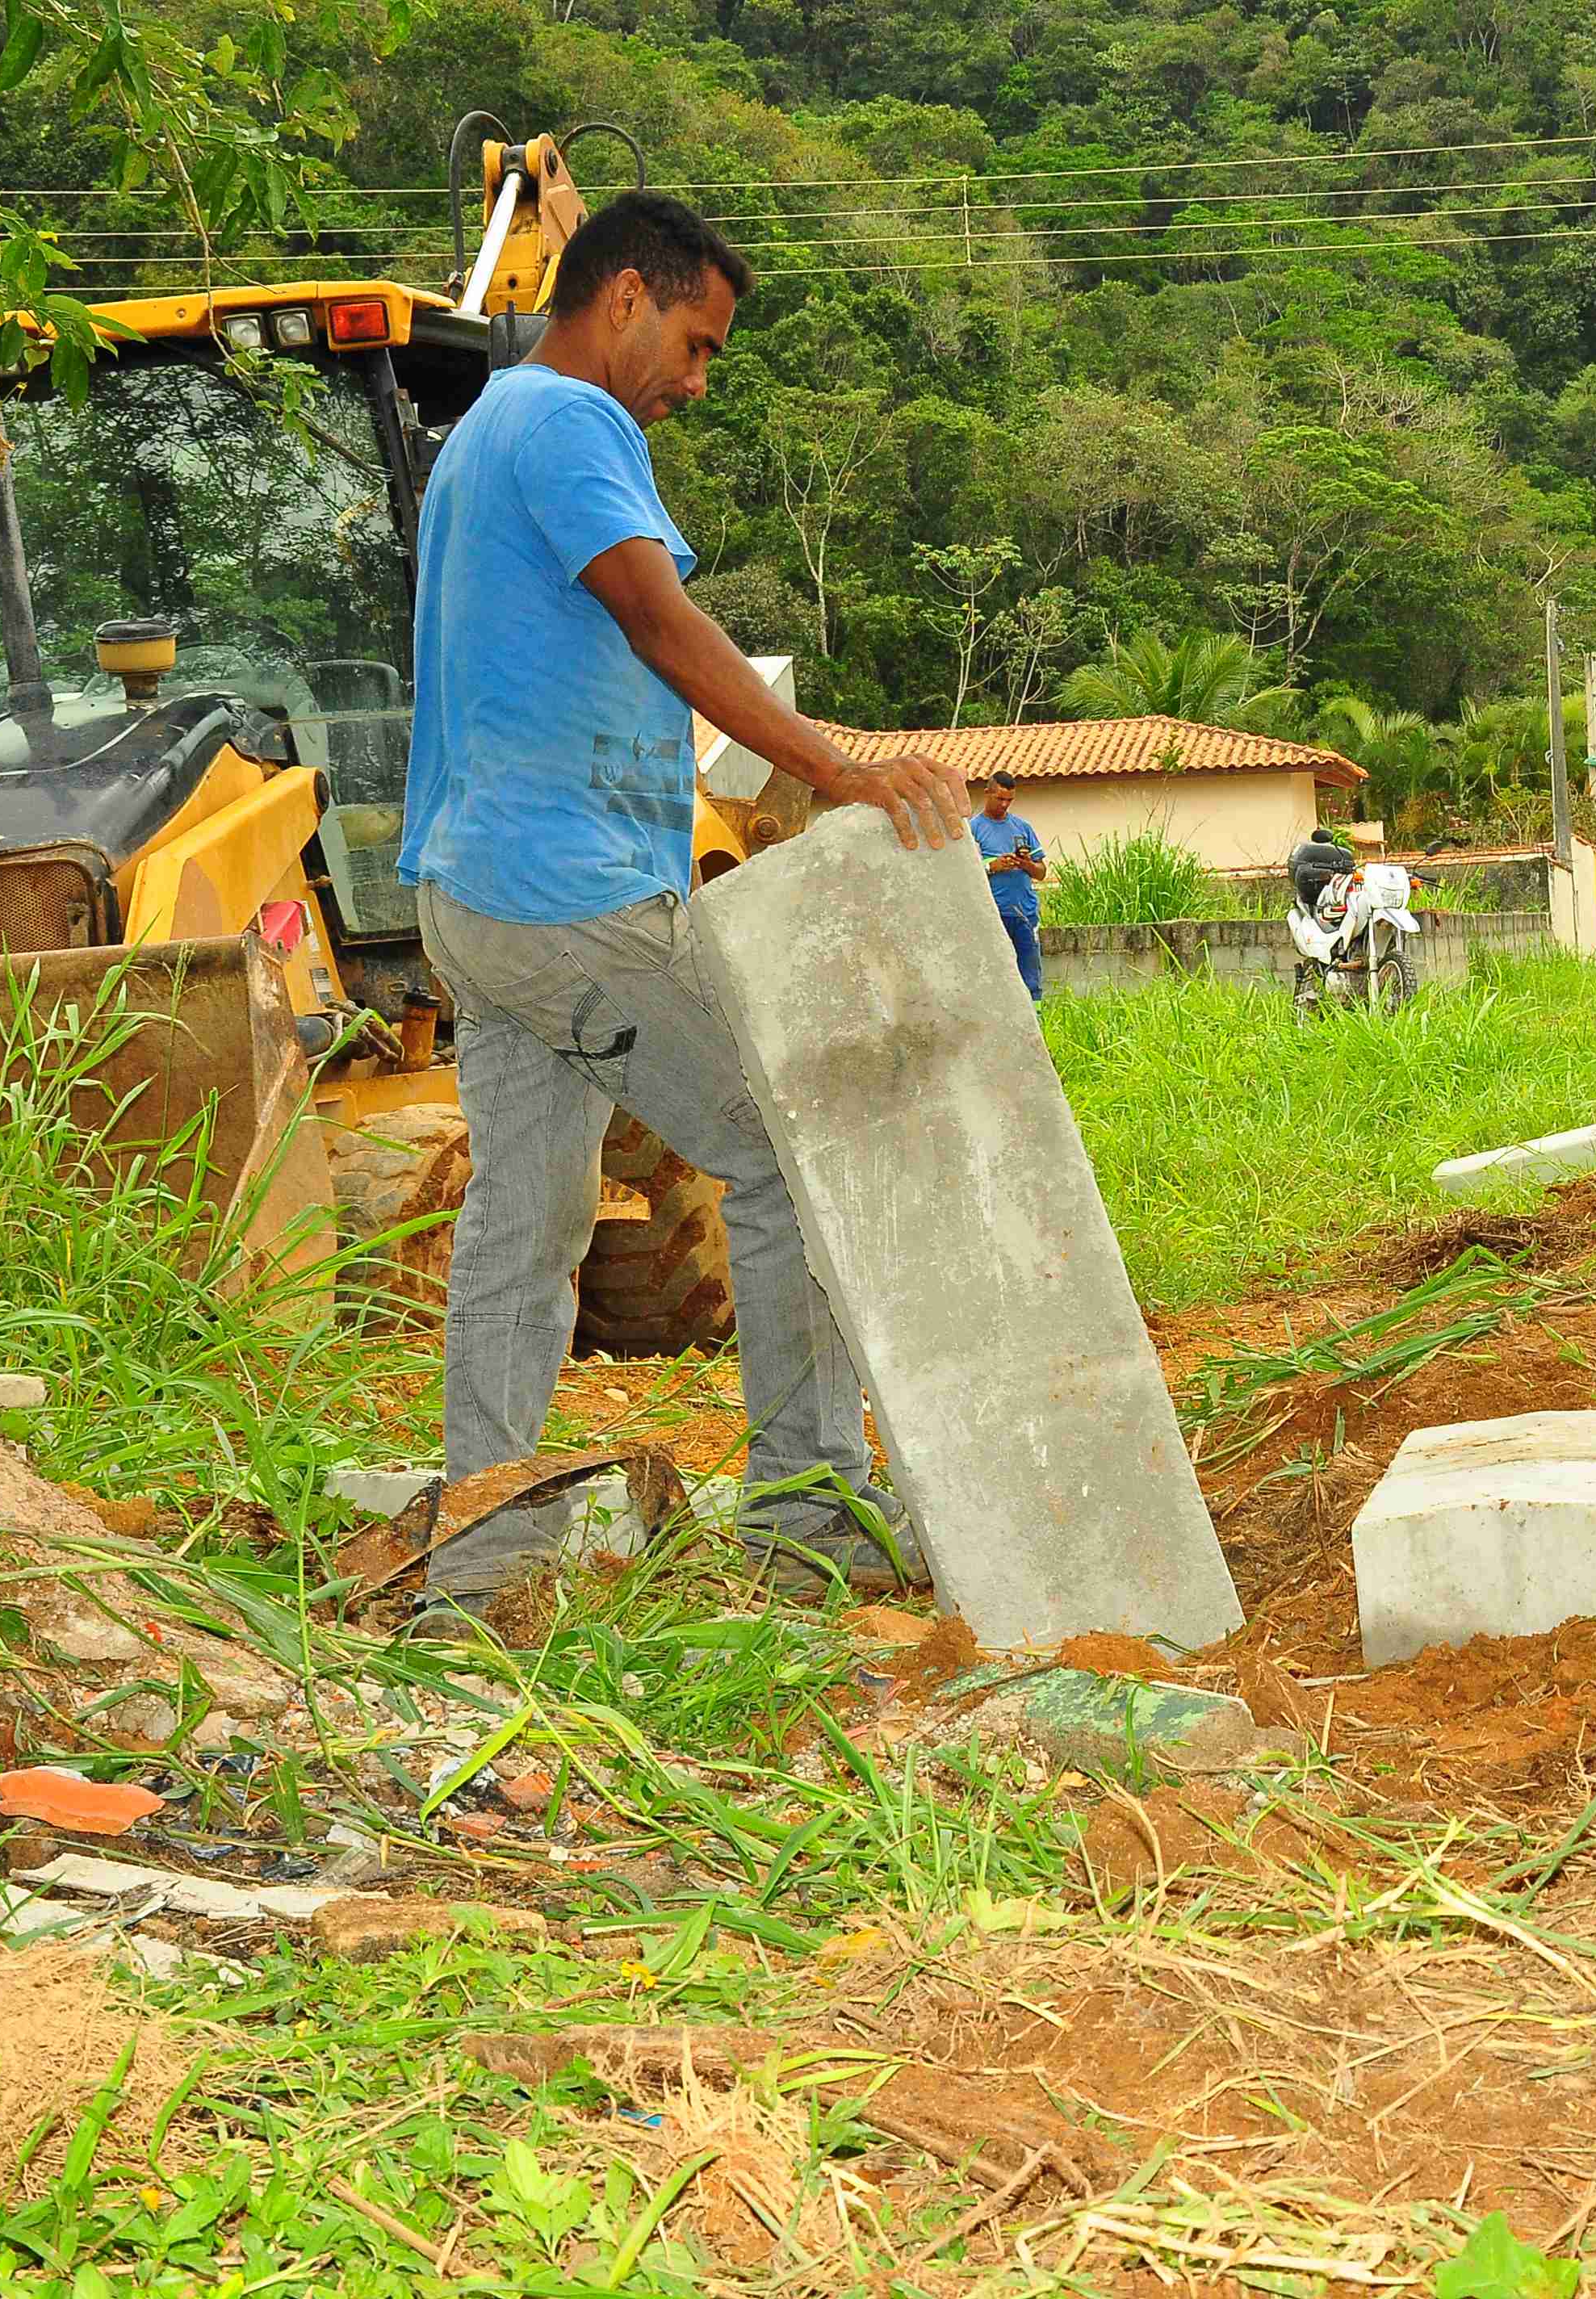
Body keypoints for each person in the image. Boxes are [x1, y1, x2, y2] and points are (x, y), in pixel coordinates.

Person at [398, 191, 970, 1593]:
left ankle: (485, 1542)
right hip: (569, 894)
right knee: (791, 1142)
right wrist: (830, 766)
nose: (696, 383)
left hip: (474, 893)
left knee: (525, 1219)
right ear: (624, 297)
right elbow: (658, 615)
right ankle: (804, 1511)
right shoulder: (568, 421)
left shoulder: (480, 434)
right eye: (697, 345)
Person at [968, 773, 1049, 999]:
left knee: (1031, 977)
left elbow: (1041, 872)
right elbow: (966, 873)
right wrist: (992, 866)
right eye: (1000, 799)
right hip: (993, 915)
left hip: (1025, 914)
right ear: (987, 794)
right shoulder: (972, 829)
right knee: (997, 977)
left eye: (1009, 800)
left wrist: (1025, 864)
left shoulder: (1023, 827)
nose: (1004, 805)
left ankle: (1037, 1022)